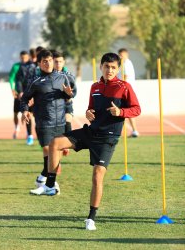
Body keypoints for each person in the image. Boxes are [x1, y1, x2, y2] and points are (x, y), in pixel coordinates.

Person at [29, 52, 141, 231]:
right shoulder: (95, 87)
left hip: (107, 138)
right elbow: (90, 109)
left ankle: (91, 218)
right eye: (106, 66)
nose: (109, 70)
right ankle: (50, 184)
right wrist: (88, 113)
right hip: (91, 132)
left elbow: (136, 109)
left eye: (113, 67)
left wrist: (121, 112)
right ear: (101, 67)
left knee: (97, 176)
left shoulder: (124, 87)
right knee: (55, 144)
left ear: (118, 69)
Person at [20, 49, 74, 194]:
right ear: (39, 64)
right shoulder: (35, 81)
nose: (48, 63)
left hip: (60, 122)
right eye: (44, 61)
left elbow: (71, 93)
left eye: (50, 60)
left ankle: (46, 182)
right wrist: (25, 110)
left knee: (56, 153)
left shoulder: (63, 77)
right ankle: (51, 183)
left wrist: (69, 94)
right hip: (44, 122)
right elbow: (24, 98)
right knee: (47, 150)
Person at [52, 51, 76, 156]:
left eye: (60, 62)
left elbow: (73, 94)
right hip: (52, 107)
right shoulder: (48, 76)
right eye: (56, 62)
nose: (58, 64)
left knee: (67, 121)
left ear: (64, 62)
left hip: (66, 105)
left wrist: (68, 95)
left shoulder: (69, 76)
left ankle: (68, 144)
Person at [16, 52, 37, 145]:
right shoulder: (21, 67)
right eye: (22, 58)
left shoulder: (36, 66)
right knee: (27, 115)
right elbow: (18, 80)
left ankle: (41, 136)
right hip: (26, 95)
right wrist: (20, 91)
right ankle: (30, 136)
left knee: (38, 116)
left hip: (36, 94)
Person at [118, 48, 139, 137]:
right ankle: (134, 131)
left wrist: (120, 88)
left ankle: (133, 130)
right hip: (127, 90)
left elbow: (125, 77)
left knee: (123, 111)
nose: (120, 57)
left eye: (122, 55)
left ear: (126, 55)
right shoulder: (125, 63)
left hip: (125, 91)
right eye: (119, 55)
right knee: (124, 111)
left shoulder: (126, 64)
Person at [9, 51, 30, 139]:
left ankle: (29, 133)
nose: (24, 59)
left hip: (28, 94)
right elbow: (11, 78)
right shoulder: (16, 66)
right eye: (22, 58)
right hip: (18, 94)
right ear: (20, 57)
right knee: (15, 113)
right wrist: (13, 89)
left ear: (28, 57)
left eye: (25, 58)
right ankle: (16, 128)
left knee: (28, 114)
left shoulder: (31, 66)